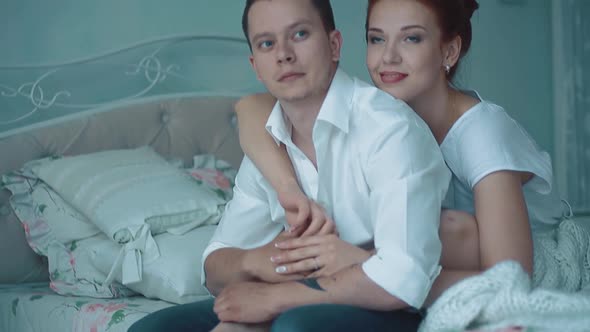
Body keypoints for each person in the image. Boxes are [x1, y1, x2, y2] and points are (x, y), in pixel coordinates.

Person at [129, 0, 451, 331]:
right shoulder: (270, 141)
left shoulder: (389, 129)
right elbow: (213, 269)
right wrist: (255, 261)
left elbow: (405, 278)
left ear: (334, 44)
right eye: (267, 43)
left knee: (293, 326)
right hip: (305, 294)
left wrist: (276, 298)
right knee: (150, 330)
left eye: (299, 34)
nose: (283, 54)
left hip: (395, 306)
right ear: (256, 65)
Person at [234, 0, 570, 305]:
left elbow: (509, 281)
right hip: (429, 265)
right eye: (377, 39)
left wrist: (362, 265)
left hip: (524, 267)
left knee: (447, 227)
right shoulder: (381, 117)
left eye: (412, 39)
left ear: (449, 52)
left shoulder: (482, 133)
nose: (388, 57)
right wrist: (287, 189)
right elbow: (251, 107)